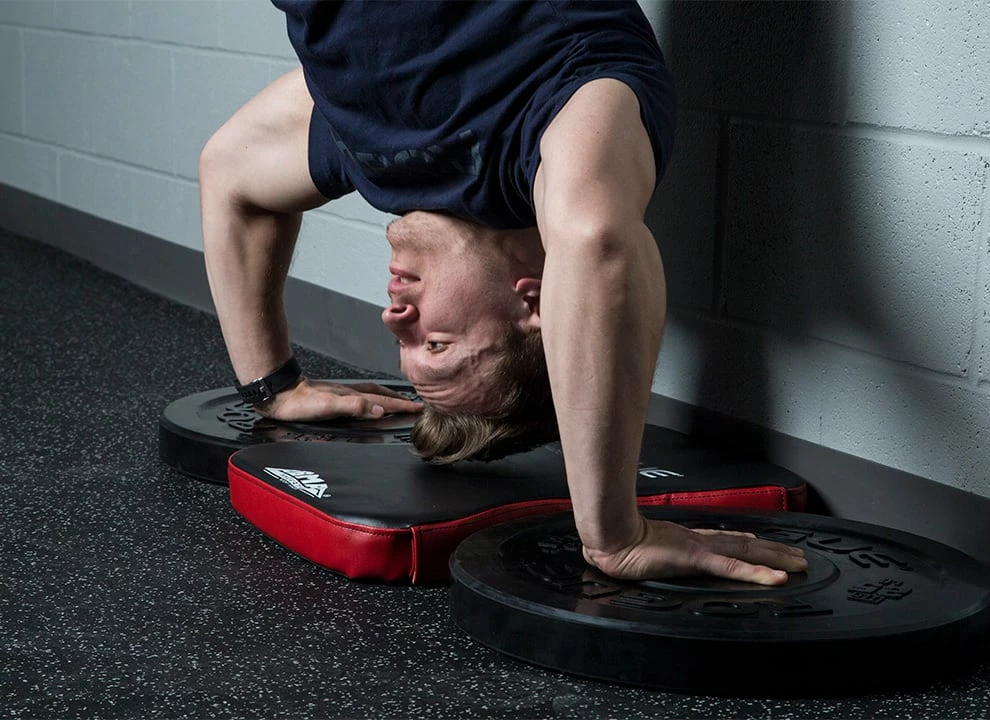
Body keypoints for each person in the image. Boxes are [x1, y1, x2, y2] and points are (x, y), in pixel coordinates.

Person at [199, 1, 807, 585]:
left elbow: (231, 174)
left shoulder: (367, 157)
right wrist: (614, 534)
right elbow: (595, 240)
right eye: (436, 343)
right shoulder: (551, 124)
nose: (393, 318)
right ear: (536, 303)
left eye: (403, 345)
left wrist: (273, 387)